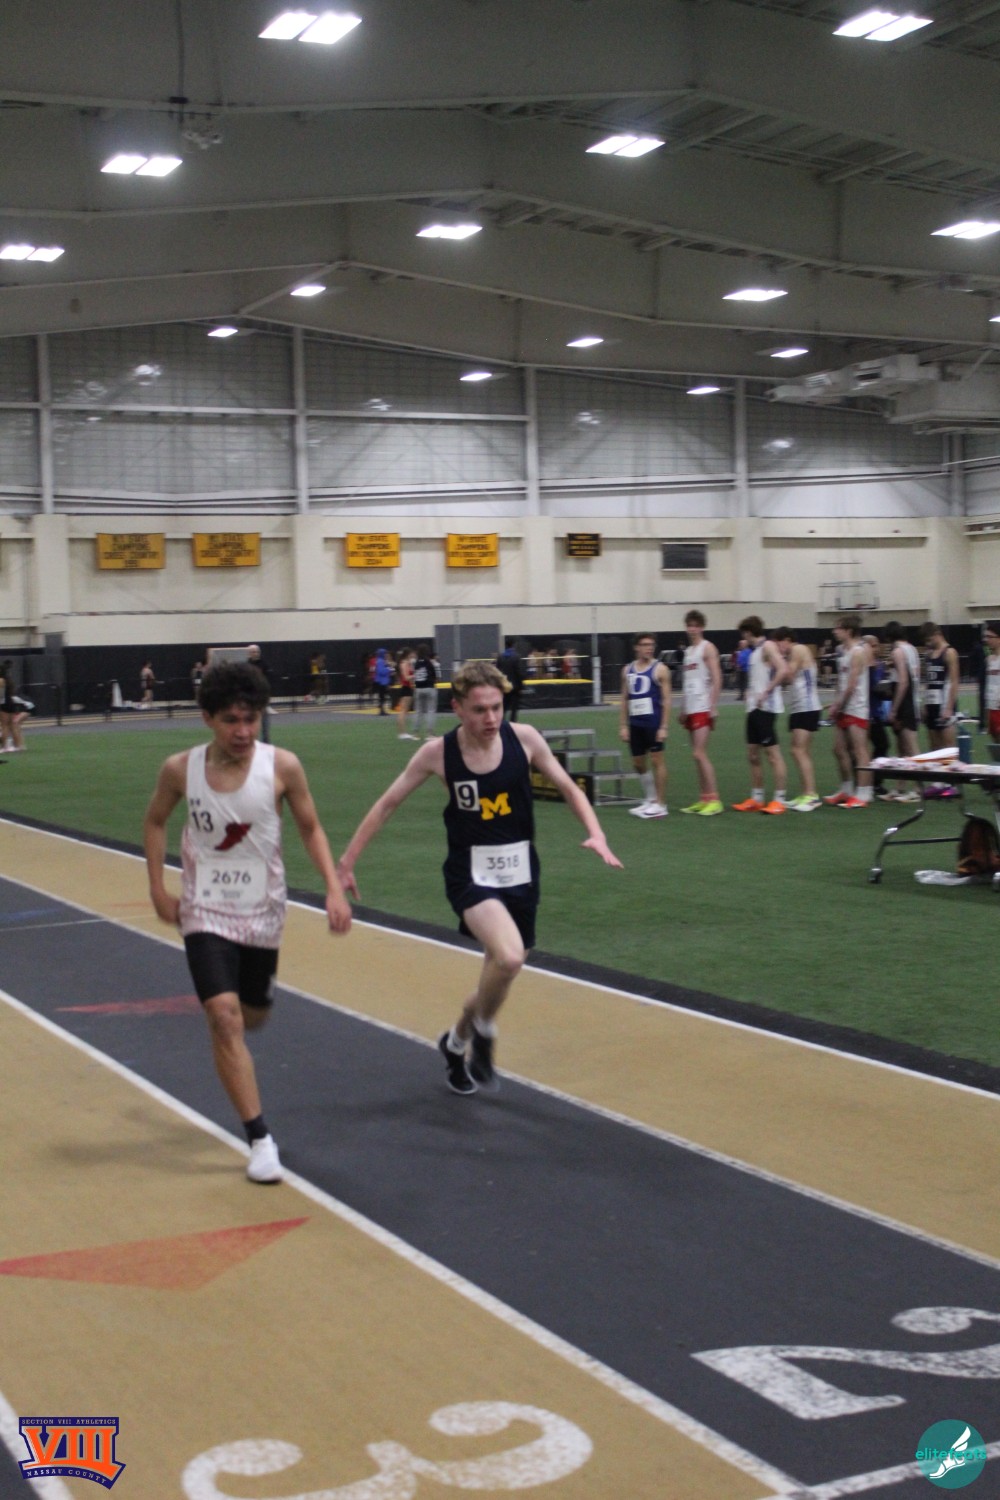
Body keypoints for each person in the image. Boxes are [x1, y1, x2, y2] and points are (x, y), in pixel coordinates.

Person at [336, 660, 621, 1094]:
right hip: (470, 874)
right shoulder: (438, 754)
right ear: (457, 708)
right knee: (509, 958)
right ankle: (485, 1031)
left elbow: (568, 787)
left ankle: (455, 1043)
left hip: (521, 872)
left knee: (498, 975)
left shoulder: (524, 739)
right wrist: (347, 862)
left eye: (497, 708)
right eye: (479, 710)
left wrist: (596, 833)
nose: (490, 718)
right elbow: (387, 804)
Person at [143, 660, 352, 1183]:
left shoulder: (283, 767)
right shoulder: (179, 770)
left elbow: (310, 827)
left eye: (251, 719)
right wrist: (158, 888)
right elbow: (155, 821)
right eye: (231, 720)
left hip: (263, 911)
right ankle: (260, 1139)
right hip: (204, 909)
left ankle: (236, 1031)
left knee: (252, 1015)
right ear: (208, 718)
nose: (243, 731)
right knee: (224, 1016)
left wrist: (332, 886)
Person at [732, 617, 789, 814]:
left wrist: (767, 691)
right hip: (753, 708)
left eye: (743, 633)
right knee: (753, 754)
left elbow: (783, 669)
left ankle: (779, 800)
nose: (742, 637)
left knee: (773, 755)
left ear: (748, 632)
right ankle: (757, 798)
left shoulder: (768, 646)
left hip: (766, 708)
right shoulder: (755, 651)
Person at [823, 614, 873, 809]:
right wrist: (836, 703)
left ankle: (864, 793)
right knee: (838, 749)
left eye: (838, 628)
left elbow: (852, 685)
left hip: (856, 706)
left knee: (859, 750)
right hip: (844, 706)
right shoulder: (842, 651)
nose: (834, 631)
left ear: (848, 631)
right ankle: (847, 789)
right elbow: (842, 682)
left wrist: (838, 705)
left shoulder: (858, 652)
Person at [619, 632, 670, 819]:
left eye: (651, 645)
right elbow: (624, 698)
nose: (649, 648)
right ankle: (650, 798)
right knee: (638, 763)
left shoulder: (660, 669)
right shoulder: (627, 670)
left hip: (653, 722)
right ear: (636, 647)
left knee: (657, 760)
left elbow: (667, 700)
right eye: (645, 644)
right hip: (635, 722)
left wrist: (664, 726)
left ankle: (661, 804)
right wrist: (623, 725)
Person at [678, 611, 723, 816]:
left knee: (699, 753)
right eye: (689, 625)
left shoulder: (708, 648)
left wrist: (713, 705)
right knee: (695, 756)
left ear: (702, 627)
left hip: (703, 706)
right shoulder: (688, 651)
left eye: (696, 625)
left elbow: (717, 678)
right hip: (691, 707)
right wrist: (683, 708)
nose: (692, 629)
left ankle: (715, 799)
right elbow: (688, 682)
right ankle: (704, 798)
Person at [772, 628, 822, 810]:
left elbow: (788, 676)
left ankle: (811, 795)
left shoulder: (797, 649)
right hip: (800, 707)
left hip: (806, 706)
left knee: (798, 751)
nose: (778, 648)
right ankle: (806, 793)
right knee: (802, 752)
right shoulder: (795, 652)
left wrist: (777, 664)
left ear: (787, 639)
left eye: (779, 643)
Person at [882, 621, 921, 803]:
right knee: (902, 747)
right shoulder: (911, 649)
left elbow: (903, 681)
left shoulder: (897, 651)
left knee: (910, 746)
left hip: (905, 700)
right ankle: (900, 787)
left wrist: (894, 708)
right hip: (911, 697)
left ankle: (918, 788)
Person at [412, 643, 439, 738]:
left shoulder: (416, 663)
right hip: (429, 687)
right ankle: (429, 733)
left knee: (418, 711)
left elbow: (414, 675)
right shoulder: (429, 662)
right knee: (430, 710)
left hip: (418, 688)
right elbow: (435, 675)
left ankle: (415, 733)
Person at [496, 643, 524, 721]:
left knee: (503, 707)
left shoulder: (500, 657)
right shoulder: (516, 657)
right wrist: (521, 686)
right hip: (515, 687)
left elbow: (497, 672)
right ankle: (513, 723)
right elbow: (519, 672)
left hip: (504, 686)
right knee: (514, 709)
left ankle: (501, 723)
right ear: (513, 646)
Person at [984, 621, 1000, 744]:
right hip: (991, 707)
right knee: (995, 745)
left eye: (990, 637)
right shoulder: (989, 659)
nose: (987, 640)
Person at [396, 648, 416, 739]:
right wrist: (414, 675)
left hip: (408, 688)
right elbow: (406, 677)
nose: (412, 656)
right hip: (405, 688)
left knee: (405, 711)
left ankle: (403, 732)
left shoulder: (407, 663)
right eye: (411, 654)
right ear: (407, 654)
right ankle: (402, 733)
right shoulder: (404, 663)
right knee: (403, 711)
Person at [372, 647, 392, 715]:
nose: (386, 655)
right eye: (385, 653)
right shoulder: (380, 661)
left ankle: (382, 710)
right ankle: (382, 710)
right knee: (382, 696)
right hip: (381, 682)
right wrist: (388, 669)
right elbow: (381, 671)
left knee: (382, 696)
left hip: (382, 681)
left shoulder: (381, 661)